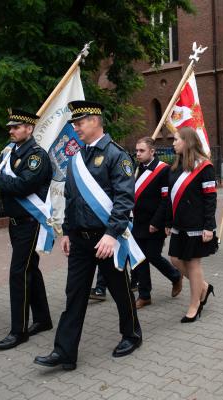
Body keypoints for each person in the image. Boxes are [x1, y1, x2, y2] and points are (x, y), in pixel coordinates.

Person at [34, 101, 142, 370]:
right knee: (75, 294)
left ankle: (132, 335)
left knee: (120, 290)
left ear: (95, 120)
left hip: (107, 239)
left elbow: (124, 200)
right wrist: (68, 231)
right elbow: (72, 198)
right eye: (74, 122)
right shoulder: (77, 157)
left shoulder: (117, 155)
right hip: (80, 240)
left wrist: (112, 234)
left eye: (80, 122)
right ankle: (65, 352)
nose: (76, 127)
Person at [0, 109, 53, 350]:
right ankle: (43, 319)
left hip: (30, 222)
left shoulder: (37, 157)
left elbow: (24, 185)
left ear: (29, 129)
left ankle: (19, 331)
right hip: (15, 224)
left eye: (16, 127)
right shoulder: (9, 153)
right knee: (30, 269)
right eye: (10, 128)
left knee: (18, 273)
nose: (11, 131)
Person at [165, 127, 217, 322]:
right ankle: (203, 286)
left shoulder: (205, 167)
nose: (173, 143)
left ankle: (195, 304)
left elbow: (210, 199)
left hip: (197, 224)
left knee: (193, 264)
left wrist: (209, 226)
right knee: (175, 260)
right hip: (179, 223)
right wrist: (169, 221)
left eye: (176, 139)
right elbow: (170, 198)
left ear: (187, 141)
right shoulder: (176, 166)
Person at [130, 137, 183, 309]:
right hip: (138, 221)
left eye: (141, 151)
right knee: (140, 258)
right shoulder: (138, 168)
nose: (137, 154)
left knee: (152, 255)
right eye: (137, 151)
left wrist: (157, 222)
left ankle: (175, 276)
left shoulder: (163, 170)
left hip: (155, 223)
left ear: (152, 152)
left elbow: (165, 199)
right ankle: (145, 295)